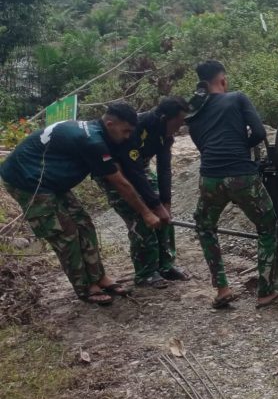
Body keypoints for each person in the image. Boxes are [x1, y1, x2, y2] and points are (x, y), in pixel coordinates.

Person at [0, 102, 161, 306]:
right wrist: (147, 213)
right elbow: (120, 182)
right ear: (110, 123)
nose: (128, 136)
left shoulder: (96, 132)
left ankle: (98, 277)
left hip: (52, 182)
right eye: (126, 131)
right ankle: (85, 288)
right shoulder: (93, 141)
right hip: (27, 181)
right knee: (65, 235)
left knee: (84, 224)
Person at [186, 60, 278, 309]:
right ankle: (265, 291)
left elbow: (200, 143)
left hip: (209, 178)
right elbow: (260, 133)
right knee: (267, 225)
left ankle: (222, 289)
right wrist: (242, 146)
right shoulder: (237, 98)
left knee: (205, 226)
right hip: (242, 176)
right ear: (223, 81)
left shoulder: (193, 110)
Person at [95, 97, 190, 288]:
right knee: (142, 218)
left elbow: (164, 168)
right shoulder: (136, 128)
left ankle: (165, 265)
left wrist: (165, 203)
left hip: (141, 168)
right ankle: (145, 272)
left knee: (164, 217)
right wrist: (152, 206)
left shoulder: (165, 134)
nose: (180, 127)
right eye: (178, 122)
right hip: (118, 172)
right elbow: (133, 173)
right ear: (165, 117)